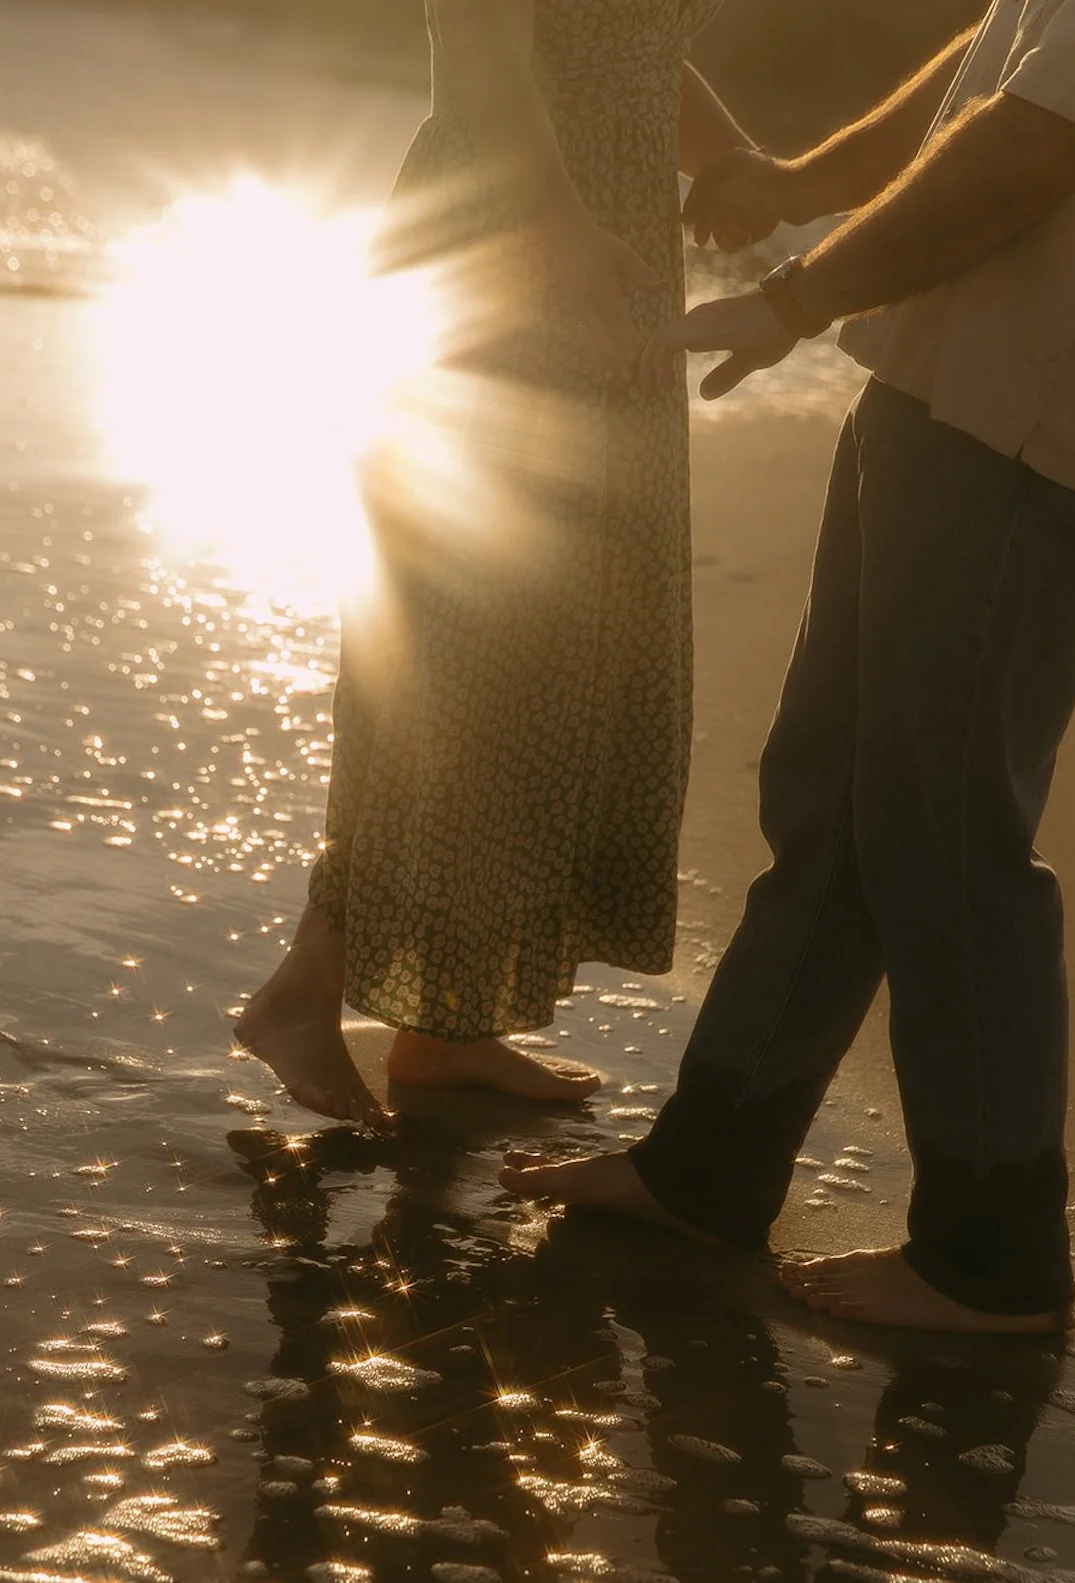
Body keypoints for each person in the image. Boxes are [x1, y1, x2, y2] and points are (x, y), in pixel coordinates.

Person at [503, 1, 1075, 1335]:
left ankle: (992, 1254)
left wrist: (798, 294)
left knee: (943, 829)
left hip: (1025, 417)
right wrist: (801, 185)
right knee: (834, 798)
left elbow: (1032, 148)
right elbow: (998, 62)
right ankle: (713, 1165)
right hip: (940, 384)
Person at [237, 0, 752, 1126]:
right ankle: (304, 988)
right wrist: (558, 230)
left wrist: (731, 161)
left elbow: (619, 46)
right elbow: (476, 37)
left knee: (550, 643)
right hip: (513, 237)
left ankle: (443, 1026)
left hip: (594, 235)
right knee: (459, 649)